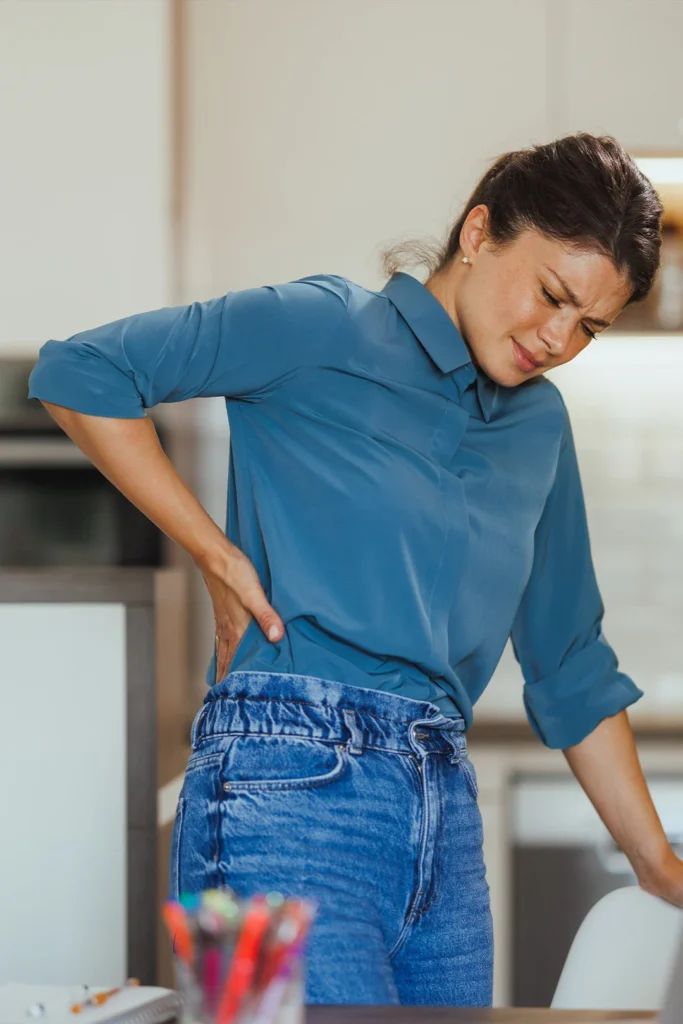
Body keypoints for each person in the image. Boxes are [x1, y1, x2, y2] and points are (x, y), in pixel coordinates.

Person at [28, 133, 683, 1007]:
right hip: (283, 785)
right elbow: (80, 371)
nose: (558, 338)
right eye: (551, 295)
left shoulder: (539, 427)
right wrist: (215, 555)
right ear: (480, 232)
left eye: (589, 325)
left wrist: (660, 867)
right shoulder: (321, 325)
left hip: (440, 810)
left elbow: (568, 666)